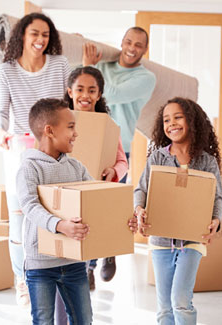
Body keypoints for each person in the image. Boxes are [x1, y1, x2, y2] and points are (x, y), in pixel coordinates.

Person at [16, 98, 138, 324]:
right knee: (43, 320)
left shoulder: (76, 167)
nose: (76, 133)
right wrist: (61, 226)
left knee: (83, 319)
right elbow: (30, 206)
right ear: (49, 131)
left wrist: (125, 220)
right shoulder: (29, 167)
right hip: (41, 264)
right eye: (71, 127)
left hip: (73, 263)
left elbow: (97, 201)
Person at [0, 13, 70, 306]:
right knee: (20, 222)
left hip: (54, 151)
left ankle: (56, 277)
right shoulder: (7, 71)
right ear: (22, 36)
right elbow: (1, 112)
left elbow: (70, 103)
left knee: (53, 215)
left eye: (46, 35)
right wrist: (0, 132)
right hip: (20, 150)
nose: (40, 40)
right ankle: (22, 281)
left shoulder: (60, 65)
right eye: (34, 34)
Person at [134, 97, 222, 325]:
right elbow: (141, 189)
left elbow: (218, 197)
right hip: (161, 242)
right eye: (166, 120)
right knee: (164, 307)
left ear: (192, 121)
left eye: (177, 117)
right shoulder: (157, 157)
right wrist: (139, 209)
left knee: (180, 300)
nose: (171, 124)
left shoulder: (206, 161)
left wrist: (216, 220)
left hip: (192, 241)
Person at [82, 26, 156, 280]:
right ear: (122, 42)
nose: (131, 48)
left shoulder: (146, 78)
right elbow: (81, 87)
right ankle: (89, 267)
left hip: (118, 148)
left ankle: (108, 252)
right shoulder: (103, 65)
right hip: (90, 143)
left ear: (145, 49)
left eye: (138, 44)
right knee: (87, 208)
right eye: (128, 42)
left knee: (109, 209)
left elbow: (110, 93)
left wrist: (91, 67)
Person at [64, 66, 129, 290]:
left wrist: (114, 172)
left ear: (99, 94)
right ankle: (87, 269)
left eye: (92, 90)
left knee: (92, 230)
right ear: (70, 92)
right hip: (69, 191)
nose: (85, 95)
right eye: (80, 89)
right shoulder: (60, 122)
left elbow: (123, 162)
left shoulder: (107, 126)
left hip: (97, 190)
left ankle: (93, 265)